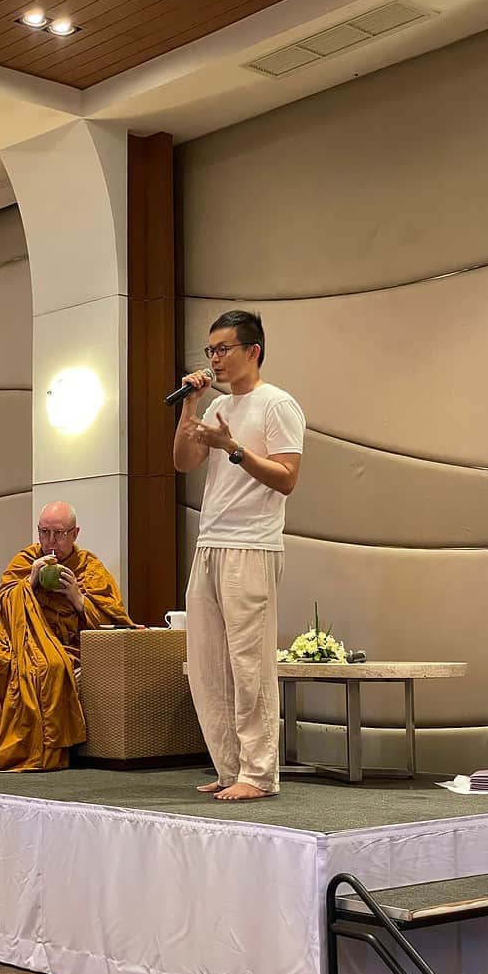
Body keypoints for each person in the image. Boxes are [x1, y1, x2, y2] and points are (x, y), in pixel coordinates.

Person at [173, 311, 305, 800]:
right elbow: (183, 462)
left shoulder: (278, 404)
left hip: (252, 544)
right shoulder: (214, 407)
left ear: (254, 350)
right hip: (210, 543)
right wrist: (191, 408)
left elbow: (287, 477)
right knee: (206, 664)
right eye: (210, 351)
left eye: (224, 349)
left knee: (249, 664)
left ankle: (260, 773)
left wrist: (232, 447)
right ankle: (231, 769)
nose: (215, 359)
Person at [0, 501, 133, 772]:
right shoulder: (25, 561)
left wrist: (78, 599)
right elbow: (0, 606)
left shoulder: (90, 568)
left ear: (75, 533)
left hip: (63, 645)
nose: (51, 542)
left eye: (58, 533)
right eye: (44, 532)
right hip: (15, 641)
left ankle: (42, 753)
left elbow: (114, 619)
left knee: (50, 668)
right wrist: (30, 583)